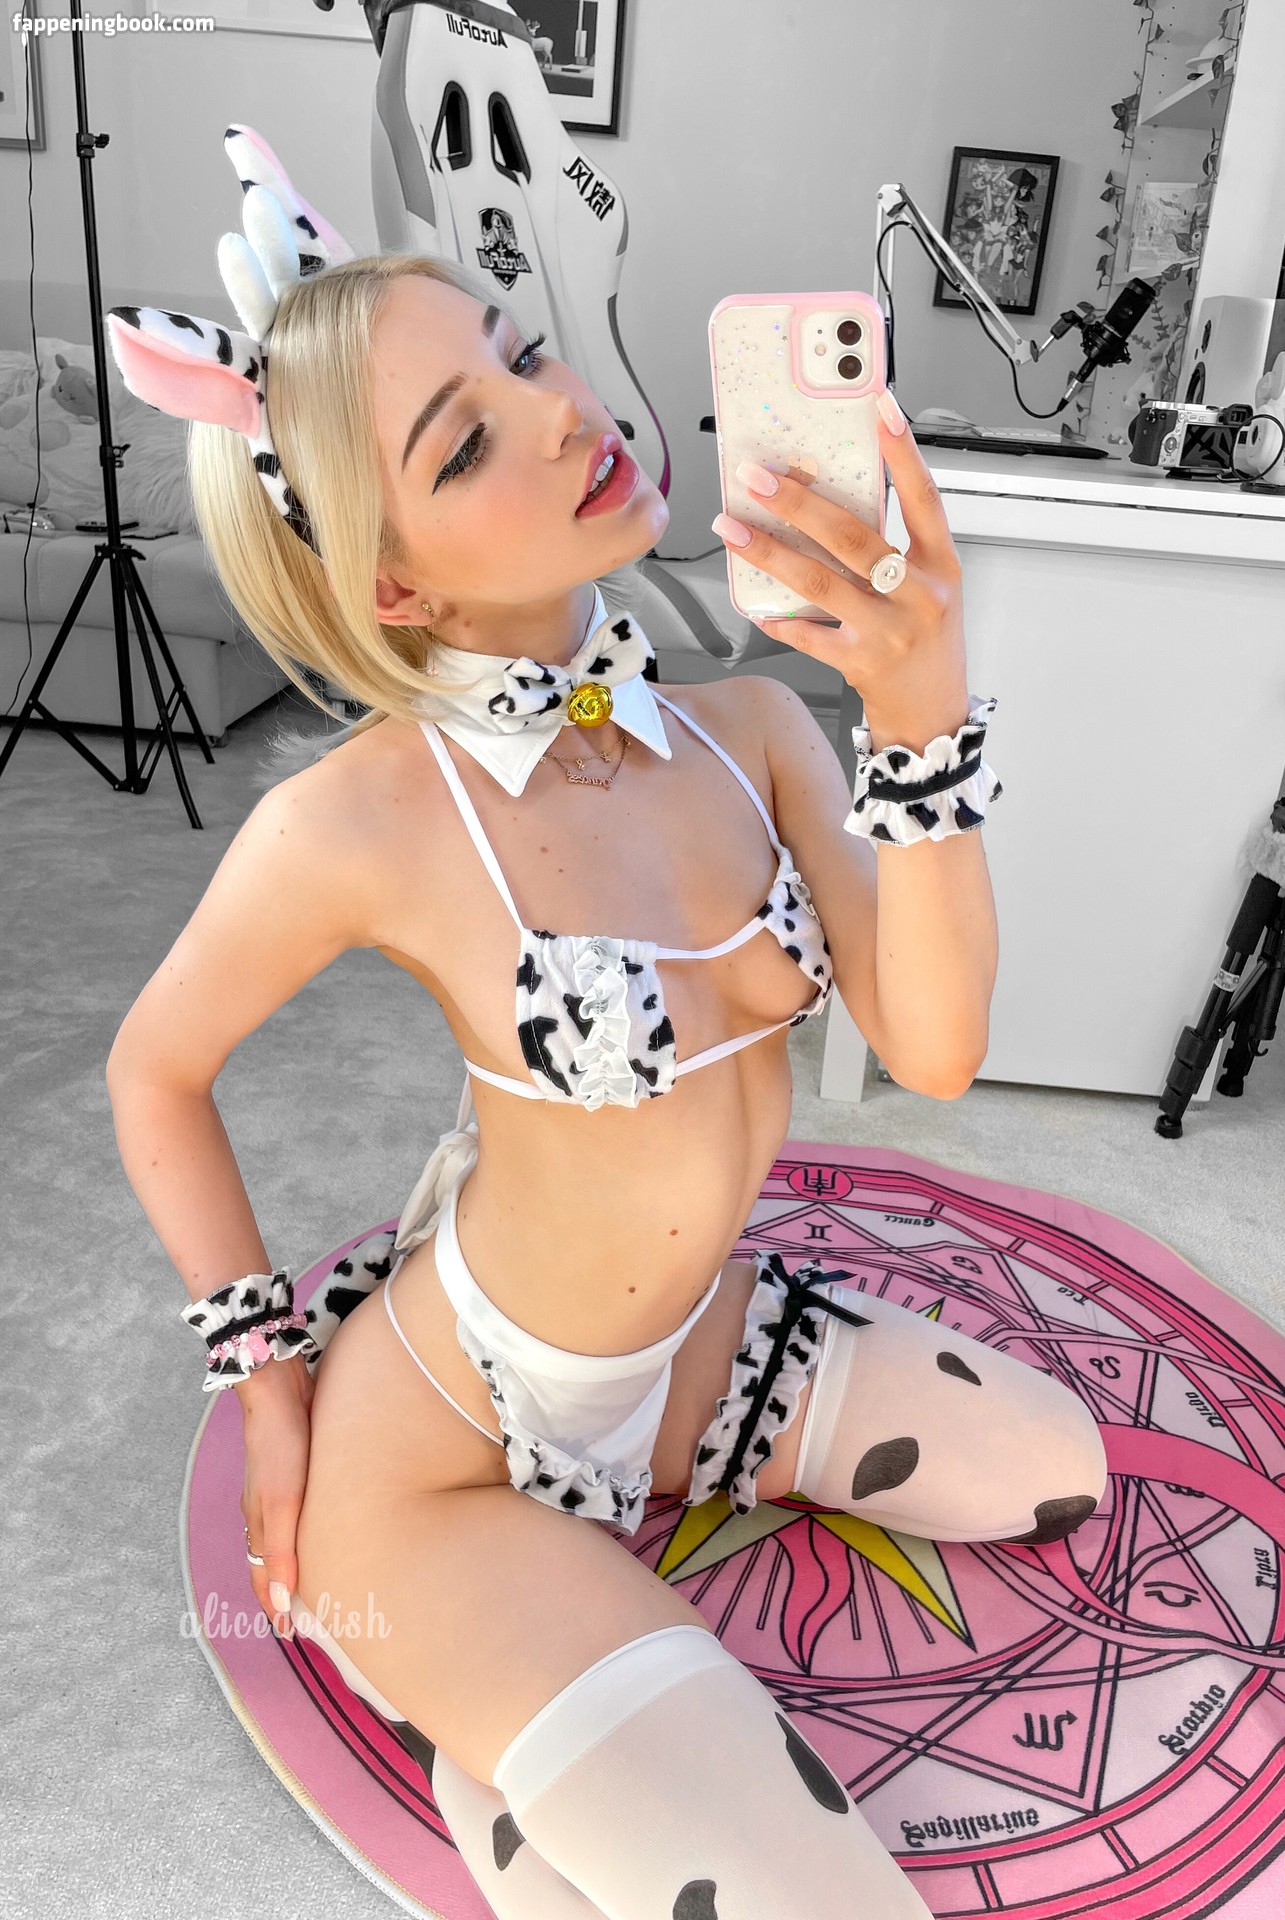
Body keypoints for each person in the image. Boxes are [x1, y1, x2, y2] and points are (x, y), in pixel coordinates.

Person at [104, 125, 1106, 1920]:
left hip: (692, 1358)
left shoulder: (758, 729)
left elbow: (936, 1052)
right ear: (393, 583)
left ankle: (561, 1688)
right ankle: (486, 1680)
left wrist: (919, 712)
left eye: (522, 351)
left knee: (1059, 1470)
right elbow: (153, 1067)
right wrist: (268, 1389)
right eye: (464, 439)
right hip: (450, 1444)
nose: (562, 412)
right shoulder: (361, 817)